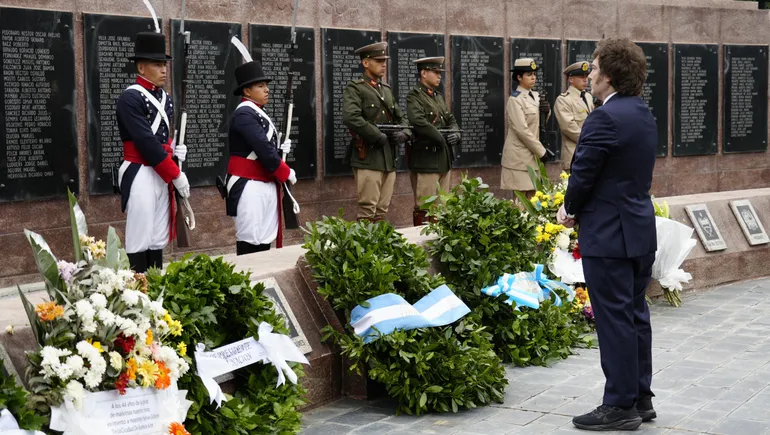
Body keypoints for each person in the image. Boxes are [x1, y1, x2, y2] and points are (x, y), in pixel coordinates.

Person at [557, 38, 657, 431]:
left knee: (615, 319)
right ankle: (641, 397)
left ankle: (619, 405)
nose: (591, 74)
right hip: (638, 230)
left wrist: (569, 209)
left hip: (609, 234)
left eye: (595, 68)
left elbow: (584, 173)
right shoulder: (642, 112)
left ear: (610, 76)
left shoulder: (604, 117)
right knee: (634, 315)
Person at [116, 30, 189, 273]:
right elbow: (146, 142)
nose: (164, 70)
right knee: (140, 235)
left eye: (164, 64)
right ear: (141, 68)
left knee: (157, 236)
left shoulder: (165, 98)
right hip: (140, 171)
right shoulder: (130, 98)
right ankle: (137, 290)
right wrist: (175, 174)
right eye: (157, 65)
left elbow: (161, 137)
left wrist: (174, 148)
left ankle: (156, 287)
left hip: (160, 172)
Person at [224, 55, 296, 255]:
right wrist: (285, 172)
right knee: (251, 240)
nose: (267, 90)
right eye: (261, 86)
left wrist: (280, 149)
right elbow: (262, 148)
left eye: (266, 85)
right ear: (247, 91)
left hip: (263, 183)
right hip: (248, 184)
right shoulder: (244, 114)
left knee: (264, 240)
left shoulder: (256, 112)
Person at [343, 41, 411, 222]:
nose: (383, 65)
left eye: (384, 61)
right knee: (367, 209)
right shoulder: (356, 88)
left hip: (388, 157)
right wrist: (376, 135)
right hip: (368, 156)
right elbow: (351, 117)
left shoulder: (385, 90)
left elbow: (401, 118)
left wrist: (405, 133)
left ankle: (378, 240)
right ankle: (365, 241)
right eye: (379, 61)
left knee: (382, 210)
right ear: (365, 63)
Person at [406, 56, 460, 226]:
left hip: (443, 159)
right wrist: (441, 138)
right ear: (423, 73)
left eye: (440, 72)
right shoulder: (414, 96)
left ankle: (438, 239)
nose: (439, 76)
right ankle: (421, 239)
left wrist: (455, 133)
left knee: (442, 207)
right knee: (425, 206)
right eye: (435, 72)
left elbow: (451, 119)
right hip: (426, 160)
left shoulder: (438, 97)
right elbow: (418, 121)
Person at [501, 58, 551, 197]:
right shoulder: (515, 100)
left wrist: (546, 112)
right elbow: (521, 130)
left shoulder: (536, 96)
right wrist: (541, 151)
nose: (533, 77)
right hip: (520, 158)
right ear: (519, 77)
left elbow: (539, 124)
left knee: (535, 199)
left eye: (534, 74)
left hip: (533, 155)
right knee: (521, 202)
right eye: (529, 75)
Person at [554, 61, 594, 171]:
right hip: (574, 154)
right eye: (581, 77)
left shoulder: (588, 97)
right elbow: (568, 127)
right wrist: (591, 141)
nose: (585, 79)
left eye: (586, 76)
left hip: (590, 153)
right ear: (571, 79)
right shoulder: (564, 100)